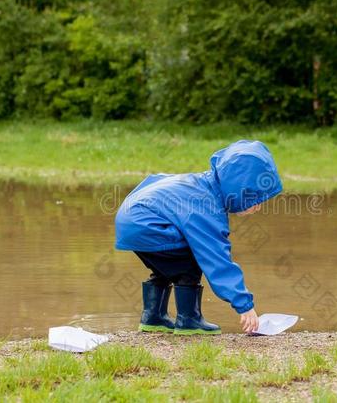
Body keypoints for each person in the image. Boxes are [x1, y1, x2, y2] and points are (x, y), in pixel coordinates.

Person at [115, 140, 282, 335]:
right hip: (147, 223)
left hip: (131, 220)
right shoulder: (207, 207)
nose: (258, 207)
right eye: (256, 199)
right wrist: (244, 305)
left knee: (169, 264)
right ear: (238, 189)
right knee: (191, 262)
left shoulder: (200, 184)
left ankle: (153, 316)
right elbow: (217, 260)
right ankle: (189, 320)